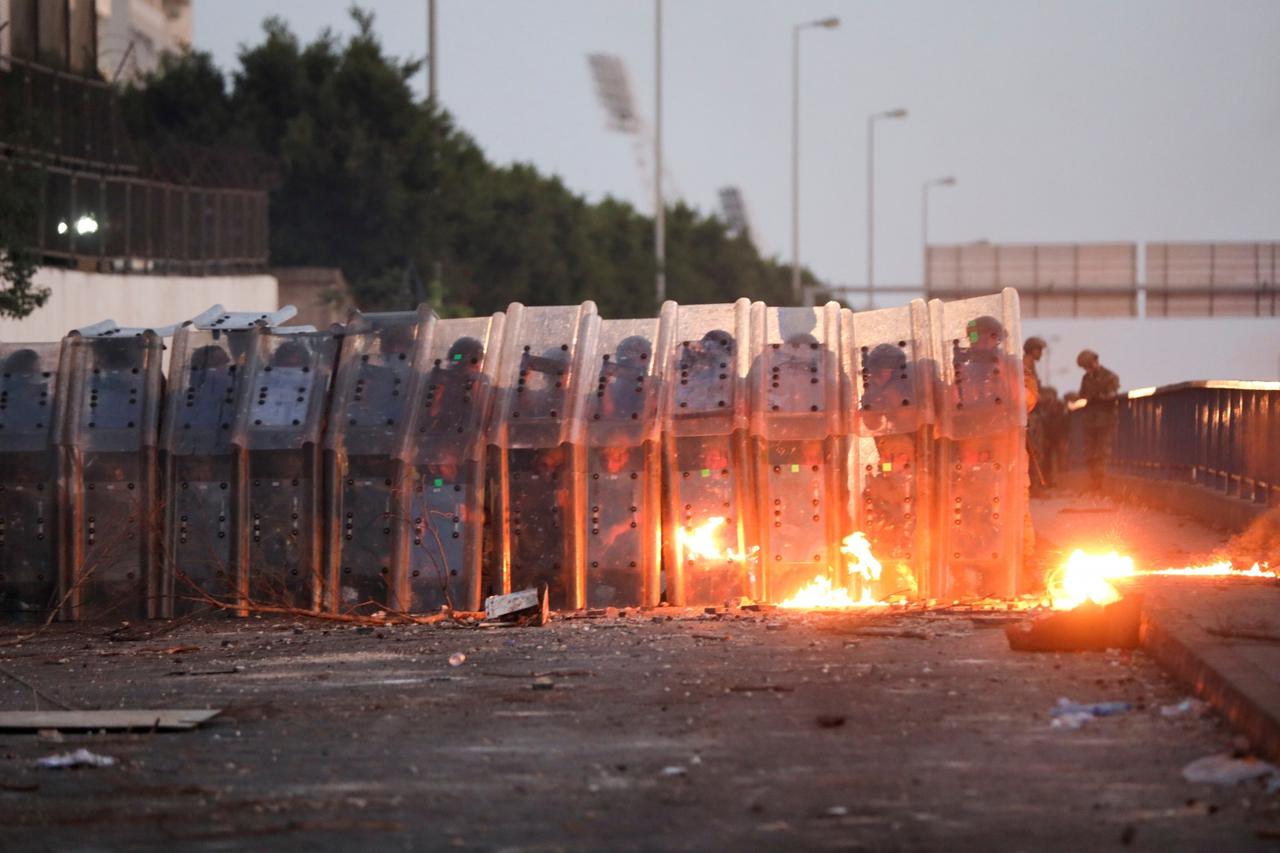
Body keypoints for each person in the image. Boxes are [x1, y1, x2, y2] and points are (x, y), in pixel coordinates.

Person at [1077, 349, 1121, 492]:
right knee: (1089, 454)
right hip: (1090, 421)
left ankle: (1101, 485)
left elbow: (1112, 395)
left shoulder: (1110, 376)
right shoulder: (1086, 378)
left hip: (1105, 420)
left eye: (1088, 366)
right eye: (1085, 368)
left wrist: (1099, 396)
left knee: (1102, 453)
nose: (1088, 370)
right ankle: (1094, 482)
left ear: (1095, 362)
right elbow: (1082, 394)